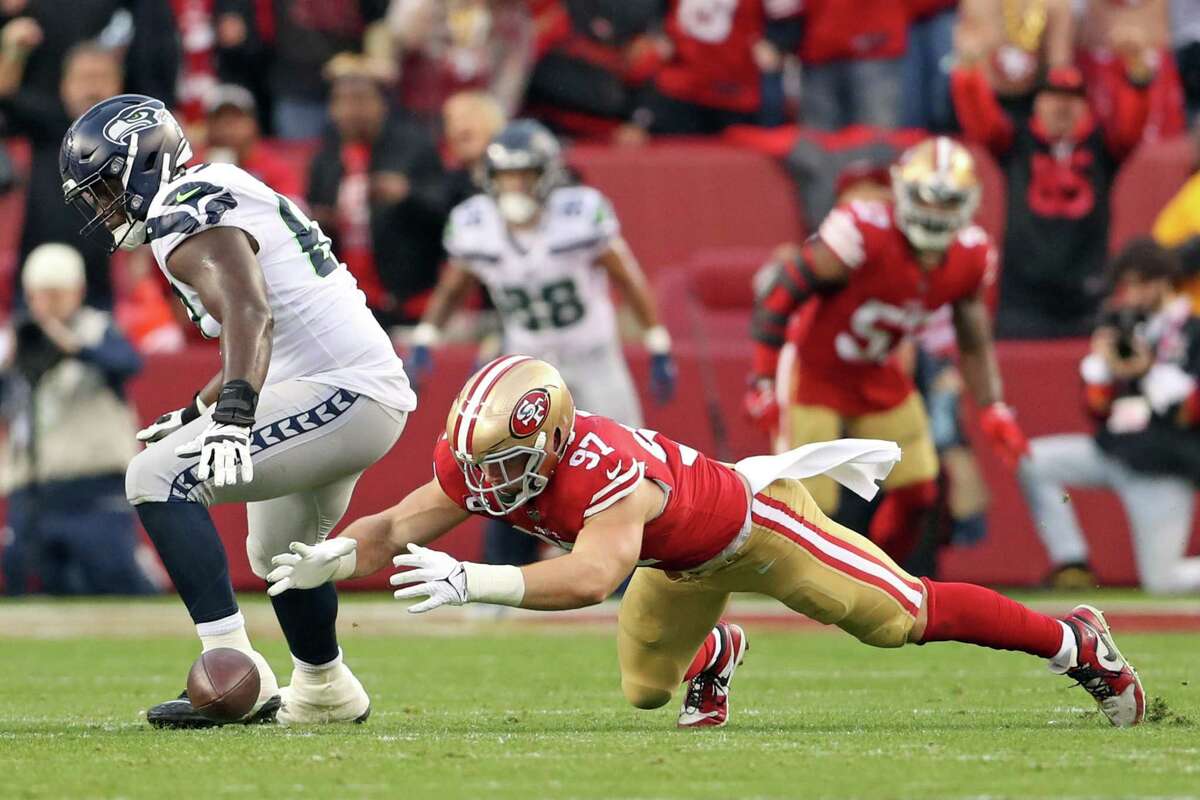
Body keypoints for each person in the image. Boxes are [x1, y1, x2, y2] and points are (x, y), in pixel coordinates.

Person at [266, 356, 1146, 730]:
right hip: (678, 561)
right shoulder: (493, 461)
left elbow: (590, 577)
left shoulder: (604, 468)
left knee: (895, 619)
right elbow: (397, 523)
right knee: (647, 691)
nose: (484, 483)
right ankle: (715, 648)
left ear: (556, 437)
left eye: (503, 464)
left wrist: (475, 583)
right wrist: (336, 557)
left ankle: (1076, 641)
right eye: (477, 463)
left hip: (762, 530)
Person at [60, 94, 416, 727]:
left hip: (344, 389)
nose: (102, 206)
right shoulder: (212, 186)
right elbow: (261, 323)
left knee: (154, 478)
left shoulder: (180, 210)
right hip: (343, 386)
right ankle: (324, 690)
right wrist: (197, 409)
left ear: (142, 164)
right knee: (281, 552)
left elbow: (253, 312)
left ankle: (229, 667)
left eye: (105, 186)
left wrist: (230, 417)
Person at [744, 137, 1028, 568]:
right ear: (902, 193)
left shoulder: (971, 254)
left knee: (920, 488)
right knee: (808, 504)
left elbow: (972, 339)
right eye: (925, 199)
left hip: (877, 371)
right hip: (814, 369)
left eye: (949, 201)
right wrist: (763, 378)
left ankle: (880, 575)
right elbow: (781, 294)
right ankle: (792, 589)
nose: (935, 212)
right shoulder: (864, 229)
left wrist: (994, 408)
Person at [409, 118, 675, 568]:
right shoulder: (475, 223)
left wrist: (657, 339)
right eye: (506, 175)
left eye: (524, 174)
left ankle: (635, 574)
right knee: (502, 460)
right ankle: (503, 568)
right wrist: (426, 336)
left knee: (626, 463)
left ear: (547, 174)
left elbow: (625, 274)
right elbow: (455, 285)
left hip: (593, 358)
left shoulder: (579, 213)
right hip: (527, 365)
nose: (514, 185)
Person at [1018, 239, 1200, 594]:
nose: (1130, 295)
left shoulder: (1192, 331)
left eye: (1138, 284)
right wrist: (1103, 368)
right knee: (1031, 459)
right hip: (1113, 450)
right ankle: (1072, 563)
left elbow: (1188, 408)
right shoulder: (1124, 326)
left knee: (1162, 581)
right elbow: (1097, 407)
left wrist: (1145, 370)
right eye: (1126, 285)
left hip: (1162, 465)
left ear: (1162, 280)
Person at [952, 63, 1152, 338]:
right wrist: (968, 74)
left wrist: (1137, 79)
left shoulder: (1102, 147)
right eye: (1053, 97)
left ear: (1084, 107)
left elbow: (1130, 128)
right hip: (1023, 297)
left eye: (1071, 99)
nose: (1062, 107)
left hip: (1086, 296)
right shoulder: (1016, 143)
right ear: (1038, 103)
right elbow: (982, 123)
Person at [0, 243, 153, 596]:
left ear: (78, 292)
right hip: (34, 488)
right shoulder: (15, 339)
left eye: (59, 294)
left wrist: (72, 347)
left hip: (94, 486)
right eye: (43, 294)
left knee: (116, 579)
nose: (51, 303)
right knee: (26, 583)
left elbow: (128, 363)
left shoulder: (96, 329)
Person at [307, 58, 450, 324]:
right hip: (347, 301)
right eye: (342, 101)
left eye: (360, 100)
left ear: (381, 105)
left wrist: (408, 195)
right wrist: (322, 220)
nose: (351, 111)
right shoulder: (325, 160)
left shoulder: (414, 148)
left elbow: (445, 209)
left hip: (404, 300)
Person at [0, 37, 123, 309]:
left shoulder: (138, 141)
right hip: (35, 285)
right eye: (83, 78)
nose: (92, 88)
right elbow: (5, 93)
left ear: (119, 86)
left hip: (100, 287)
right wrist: (14, 49)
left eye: (101, 77)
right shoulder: (43, 125)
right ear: (63, 86)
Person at [202, 84, 301, 202]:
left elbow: (292, 211)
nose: (227, 127)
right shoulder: (196, 166)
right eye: (219, 119)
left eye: (235, 119)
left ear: (253, 123)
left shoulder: (274, 167)